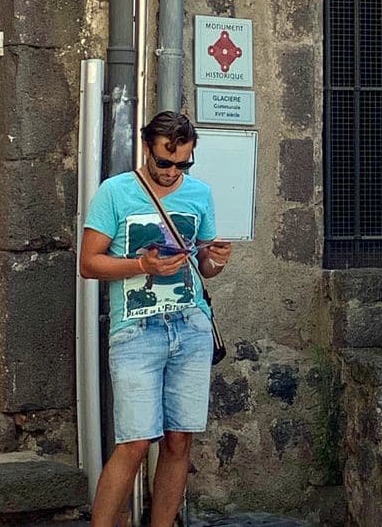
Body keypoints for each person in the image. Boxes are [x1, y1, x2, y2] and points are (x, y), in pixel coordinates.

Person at [79, 111, 232, 526]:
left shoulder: (199, 194)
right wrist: (141, 266)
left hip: (191, 324)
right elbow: (88, 264)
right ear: (147, 148)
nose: (172, 172)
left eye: (182, 163)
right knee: (134, 441)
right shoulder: (116, 192)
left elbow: (204, 264)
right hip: (136, 329)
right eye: (164, 162)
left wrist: (215, 261)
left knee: (179, 440)